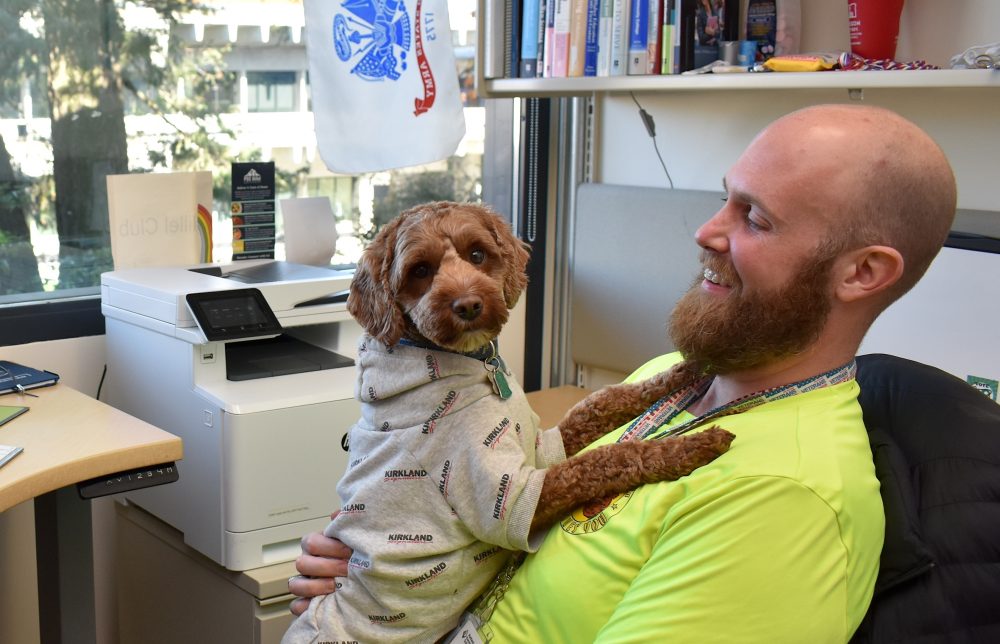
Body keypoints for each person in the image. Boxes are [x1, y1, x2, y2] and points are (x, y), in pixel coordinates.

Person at [286, 104, 958, 642]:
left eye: (753, 217)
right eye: (725, 199)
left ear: (863, 272)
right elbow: (486, 479)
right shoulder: (679, 373)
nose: (705, 231)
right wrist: (374, 564)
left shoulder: (787, 499)